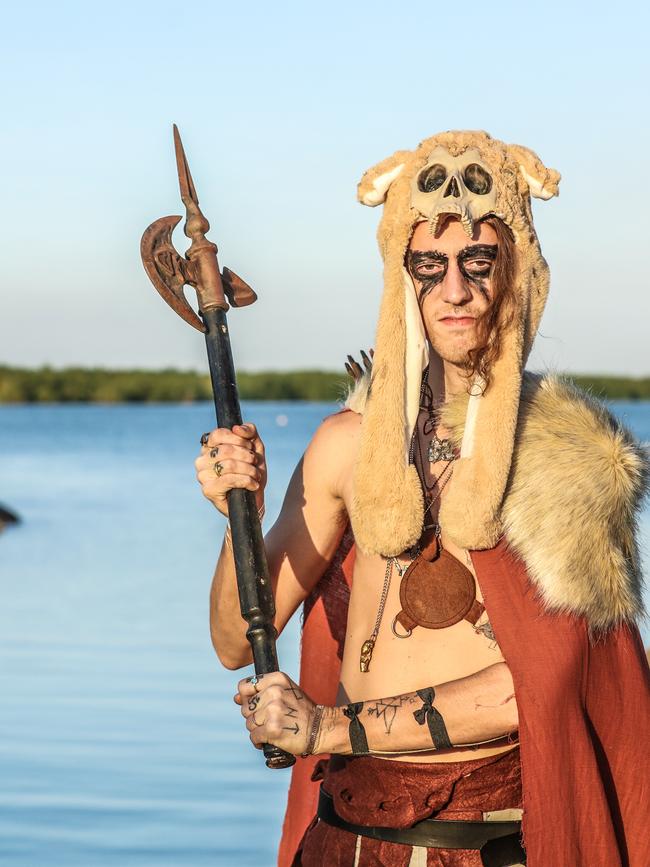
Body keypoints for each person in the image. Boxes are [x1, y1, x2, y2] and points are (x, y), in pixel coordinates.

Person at [195, 131, 650, 867]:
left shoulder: (567, 459)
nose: (456, 291)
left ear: (518, 275)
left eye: (479, 262)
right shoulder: (348, 445)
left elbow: (535, 683)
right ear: (400, 279)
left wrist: (328, 731)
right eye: (428, 267)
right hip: (341, 838)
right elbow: (232, 642)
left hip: (484, 842)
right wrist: (234, 521)